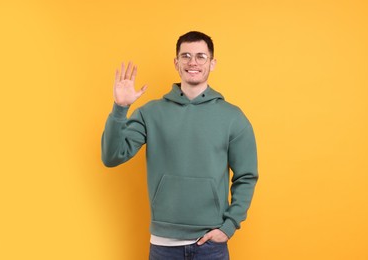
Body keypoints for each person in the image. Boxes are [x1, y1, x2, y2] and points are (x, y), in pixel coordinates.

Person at [101, 31, 258, 260]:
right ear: (176, 63)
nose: (192, 62)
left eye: (201, 56)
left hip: (210, 245)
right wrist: (120, 108)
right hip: (164, 245)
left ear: (212, 63)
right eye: (185, 56)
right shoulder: (151, 113)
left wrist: (229, 226)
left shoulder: (233, 117)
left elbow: (246, 176)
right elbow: (112, 156)